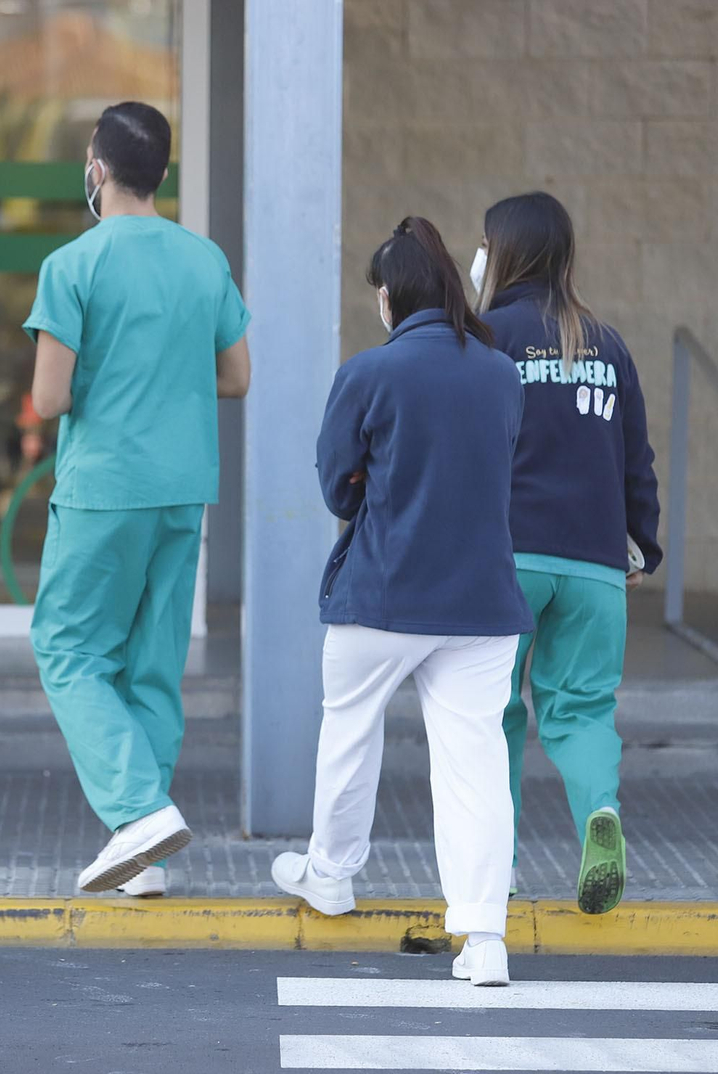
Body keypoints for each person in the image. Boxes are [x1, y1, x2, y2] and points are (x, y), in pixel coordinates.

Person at [270, 218, 534, 987]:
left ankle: (332, 875)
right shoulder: (500, 374)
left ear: (388, 297)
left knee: (350, 736)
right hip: (482, 603)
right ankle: (484, 938)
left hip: (381, 595)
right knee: (474, 764)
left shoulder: (369, 373)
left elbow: (333, 483)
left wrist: (369, 484)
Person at [23, 102, 251, 898]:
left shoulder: (73, 265)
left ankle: (136, 810)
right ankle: (143, 857)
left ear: (99, 168)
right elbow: (237, 377)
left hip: (105, 487)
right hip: (184, 485)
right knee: (151, 666)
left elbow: (49, 401)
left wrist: (103, 377)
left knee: (70, 649)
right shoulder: (203, 259)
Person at [472, 192, 661, 915]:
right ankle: (597, 817)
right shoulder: (606, 344)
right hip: (594, 565)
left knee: (492, 715)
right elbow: (633, 459)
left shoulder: (487, 337)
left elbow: (467, 451)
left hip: (506, 560)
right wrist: (641, 546)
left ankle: (497, 869)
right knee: (581, 712)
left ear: (504, 253)